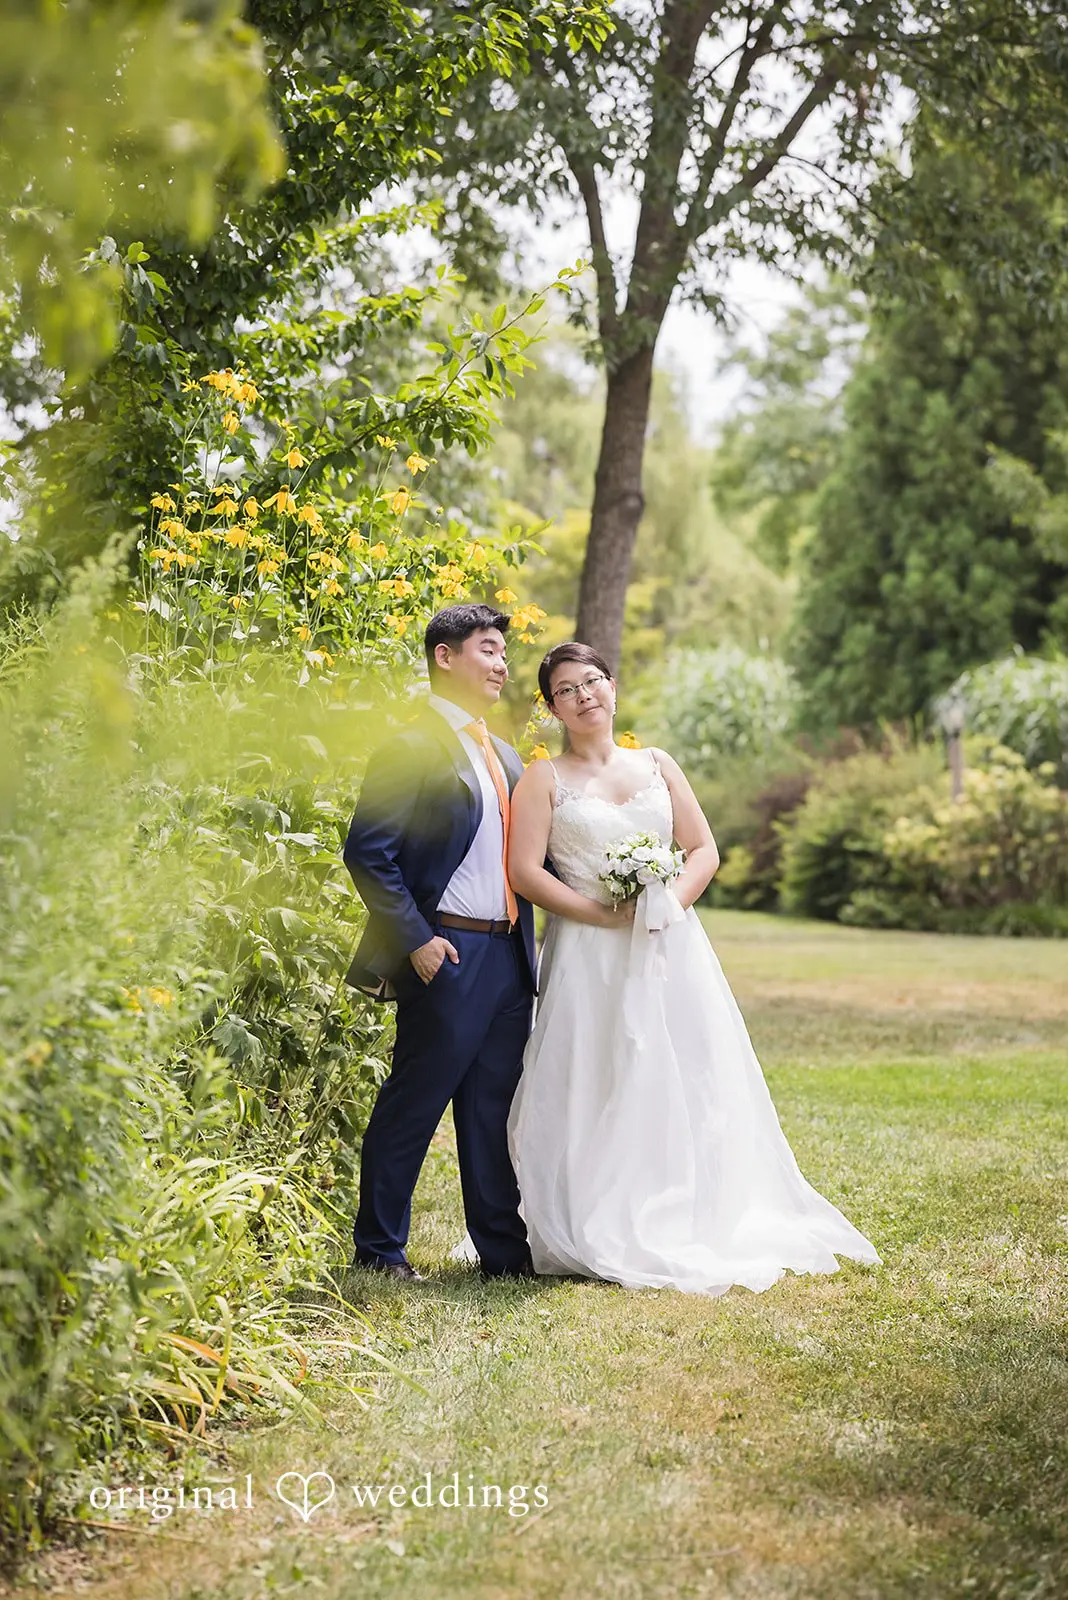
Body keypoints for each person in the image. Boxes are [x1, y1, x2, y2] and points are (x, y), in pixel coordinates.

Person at [505, 640, 880, 1295]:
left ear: (612, 687)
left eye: (592, 681)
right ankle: (594, 1206)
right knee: (599, 1066)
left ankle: (694, 1203)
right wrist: (602, 916)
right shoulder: (544, 778)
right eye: (566, 689)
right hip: (589, 951)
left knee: (687, 1063)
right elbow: (524, 872)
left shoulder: (657, 763)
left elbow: (703, 849)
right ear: (553, 708)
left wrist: (665, 905)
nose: (583, 695)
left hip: (669, 943)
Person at [343, 604, 537, 1280]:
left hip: (509, 956)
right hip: (447, 952)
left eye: (503, 652)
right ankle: (379, 1251)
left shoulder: (504, 754)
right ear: (444, 657)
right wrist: (418, 941)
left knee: (491, 1109)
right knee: (415, 1103)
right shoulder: (409, 746)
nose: (501, 664)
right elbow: (368, 853)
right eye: (487, 649)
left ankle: (502, 1254)